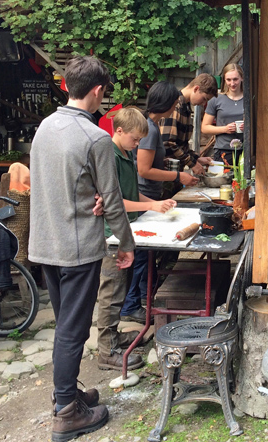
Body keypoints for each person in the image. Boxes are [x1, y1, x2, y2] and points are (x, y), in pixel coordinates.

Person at [29, 55, 135, 441]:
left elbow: (50, 182)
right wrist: (126, 244)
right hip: (76, 249)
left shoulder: (45, 127)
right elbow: (112, 197)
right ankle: (67, 412)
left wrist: (85, 196)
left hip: (44, 244)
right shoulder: (95, 138)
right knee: (72, 332)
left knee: (64, 327)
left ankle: (68, 394)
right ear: (97, 90)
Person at [96, 107, 177, 372]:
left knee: (123, 286)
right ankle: (106, 349)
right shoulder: (108, 155)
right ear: (118, 131)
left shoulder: (126, 153)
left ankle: (115, 336)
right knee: (112, 291)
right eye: (135, 139)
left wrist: (155, 203)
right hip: (111, 234)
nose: (138, 144)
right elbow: (113, 201)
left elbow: (132, 193)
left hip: (127, 228)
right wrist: (152, 207)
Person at [121, 81, 194, 324]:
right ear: (169, 104)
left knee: (146, 254)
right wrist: (177, 176)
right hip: (142, 197)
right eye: (175, 104)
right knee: (143, 254)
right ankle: (134, 303)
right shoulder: (150, 129)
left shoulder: (152, 125)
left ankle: (143, 297)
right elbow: (143, 170)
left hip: (147, 196)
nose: (176, 107)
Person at [161, 73, 218, 194]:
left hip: (175, 173)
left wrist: (197, 158)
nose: (203, 104)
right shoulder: (175, 105)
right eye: (204, 99)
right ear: (196, 88)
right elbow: (168, 142)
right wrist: (192, 163)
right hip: (165, 174)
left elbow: (181, 144)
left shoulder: (185, 108)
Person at [202, 64, 245, 165]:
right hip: (224, 150)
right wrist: (225, 129)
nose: (232, 83)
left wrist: (248, 126)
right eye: (228, 80)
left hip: (247, 149)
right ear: (224, 80)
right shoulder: (216, 99)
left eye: (235, 79)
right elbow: (204, 128)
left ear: (242, 78)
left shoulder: (250, 98)